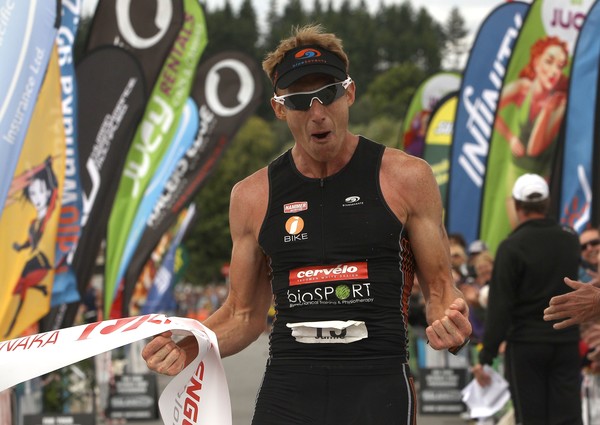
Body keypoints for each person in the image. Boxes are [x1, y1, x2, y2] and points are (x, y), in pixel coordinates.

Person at [142, 24, 471, 424]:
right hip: (290, 386)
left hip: (376, 383)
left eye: (329, 94)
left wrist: (448, 322)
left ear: (349, 92)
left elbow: (440, 289)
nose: (318, 113)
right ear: (279, 108)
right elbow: (243, 314)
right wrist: (186, 348)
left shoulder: (406, 177)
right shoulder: (252, 196)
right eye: (300, 101)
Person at [472, 173, 582, 425]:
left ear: (518, 207)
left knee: (532, 418)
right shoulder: (570, 239)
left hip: (526, 344)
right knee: (568, 416)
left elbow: (501, 306)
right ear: (547, 203)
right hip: (565, 341)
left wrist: (486, 354)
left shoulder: (512, 246)